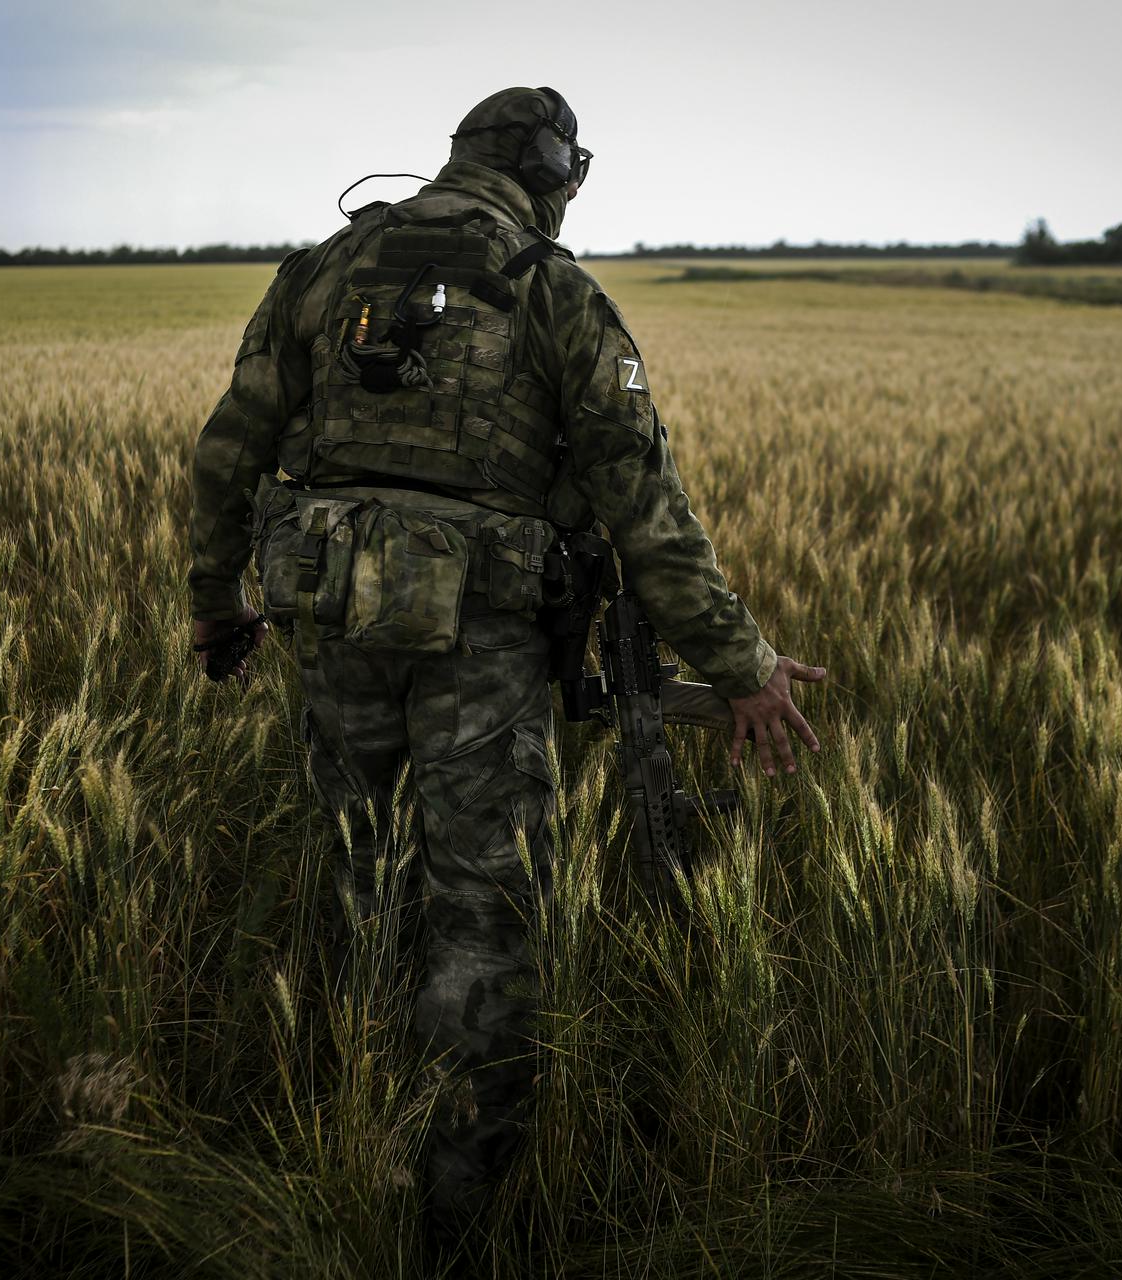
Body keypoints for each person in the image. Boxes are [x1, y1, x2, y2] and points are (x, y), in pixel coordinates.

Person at [187, 85, 825, 1231]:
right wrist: (743, 665)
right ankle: (455, 1202)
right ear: (554, 173)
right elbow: (647, 508)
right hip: (479, 644)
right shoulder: (552, 288)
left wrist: (210, 598)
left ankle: (338, 1133)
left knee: (353, 870)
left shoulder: (322, 271)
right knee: (483, 909)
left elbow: (229, 449)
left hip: (329, 623)